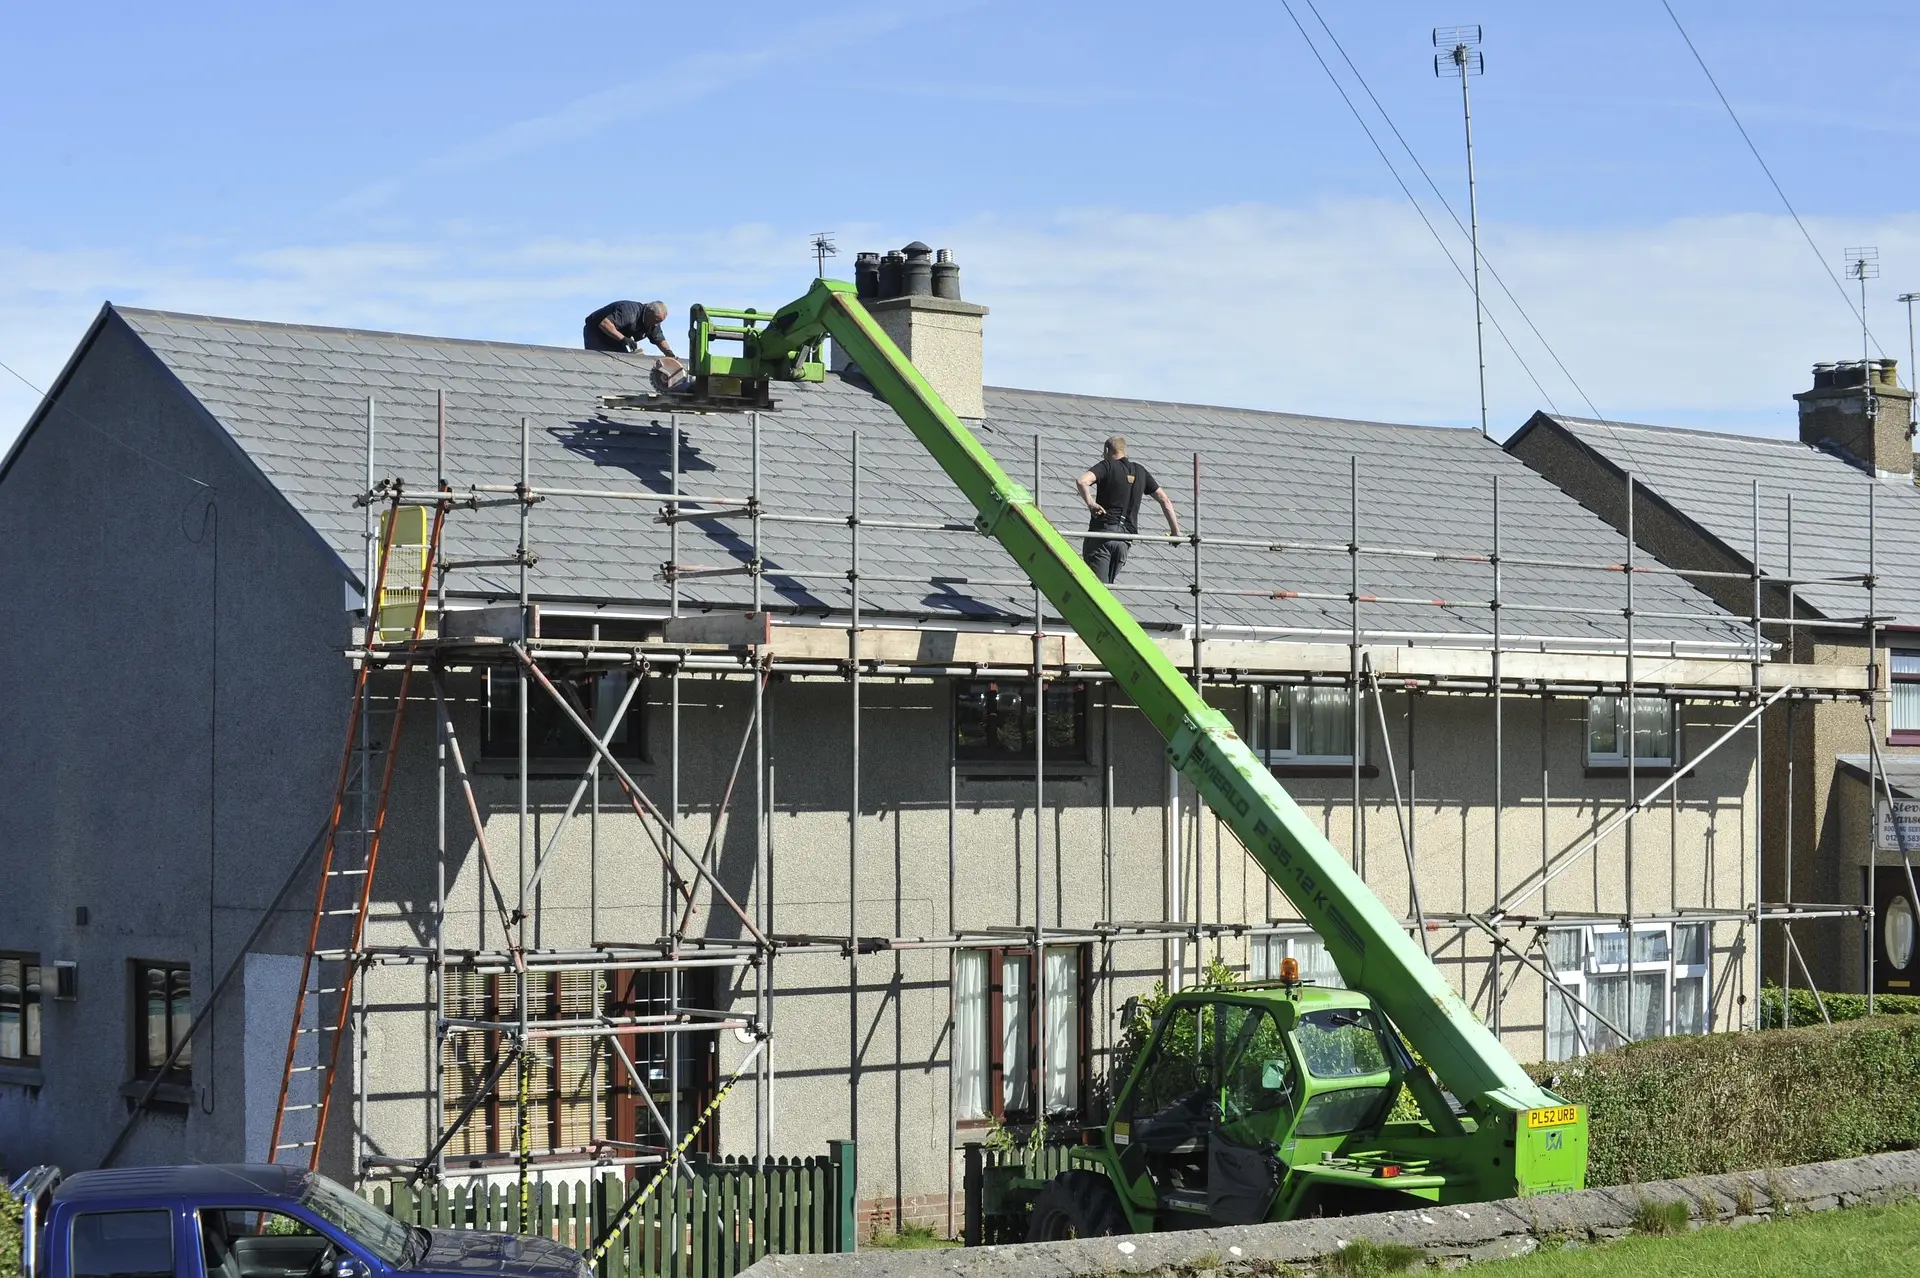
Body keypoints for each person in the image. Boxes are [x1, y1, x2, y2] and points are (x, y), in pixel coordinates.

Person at [1075, 435, 1181, 583]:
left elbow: (1082, 481)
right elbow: (1165, 501)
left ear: (1107, 450)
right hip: (1125, 541)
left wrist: (1091, 502)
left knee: (1096, 589)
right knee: (1107, 588)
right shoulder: (1140, 471)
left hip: (1102, 536)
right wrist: (1176, 532)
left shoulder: (1107, 466)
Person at [584, 300, 677, 357]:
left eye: (659, 322)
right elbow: (605, 324)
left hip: (615, 338)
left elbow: (659, 339)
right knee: (601, 359)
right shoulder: (630, 312)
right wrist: (624, 339)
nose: (657, 325)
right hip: (597, 332)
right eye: (656, 320)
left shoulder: (653, 323)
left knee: (623, 361)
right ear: (649, 312)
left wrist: (668, 353)